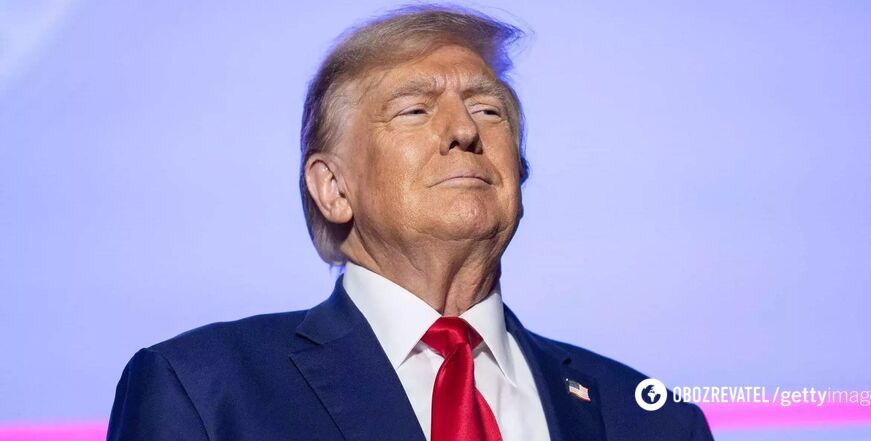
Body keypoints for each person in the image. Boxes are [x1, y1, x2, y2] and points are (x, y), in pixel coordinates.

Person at [106, 5, 714, 441]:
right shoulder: (204, 391)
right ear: (333, 188)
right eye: (415, 110)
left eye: (488, 109)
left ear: (520, 172)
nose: (464, 130)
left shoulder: (653, 420)